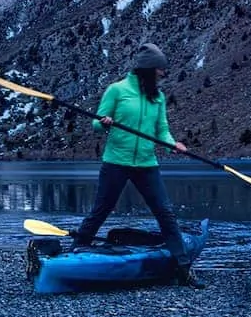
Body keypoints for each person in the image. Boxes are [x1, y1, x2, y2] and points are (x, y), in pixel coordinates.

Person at [71, 43, 206, 289]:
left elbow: (161, 130)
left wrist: (172, 145)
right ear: (148, 69)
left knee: (165, 213)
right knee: (102, 209)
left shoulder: (158, 97)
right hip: (116, 161)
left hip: (146, 164)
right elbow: (96, 125)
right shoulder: (117, 90)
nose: (163, 74)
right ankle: (74, 252)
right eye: (160, 70)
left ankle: (184, 269)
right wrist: (106, 122)